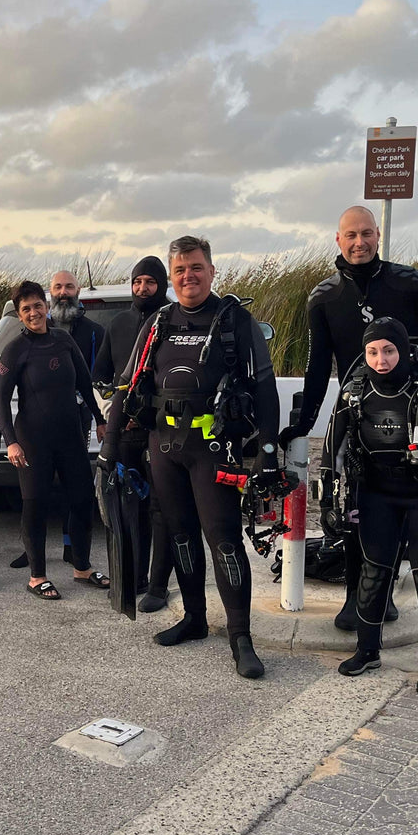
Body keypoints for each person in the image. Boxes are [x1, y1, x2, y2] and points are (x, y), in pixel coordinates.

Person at [102, 236, 282, 679]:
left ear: (212, 270)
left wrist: (268, 448)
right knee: (180, 534)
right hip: (163, 446)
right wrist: (109, 449)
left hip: (213, 447)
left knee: (223, 539)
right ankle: (195, 619)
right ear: (172, 275)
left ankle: (240, 636)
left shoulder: (235, 320)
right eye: (180, 269)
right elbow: (127, 385)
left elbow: (264, 386)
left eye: (196, 267)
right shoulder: (160, 321)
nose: (188, 276)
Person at [276, 206, 418, 632]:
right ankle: (356, 596)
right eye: (350, 236)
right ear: (337, 240)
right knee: (354, 501)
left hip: (410, 410)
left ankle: (386, 589)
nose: (359, 242)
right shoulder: (323, 295)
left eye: (366, 234)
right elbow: (318, 366)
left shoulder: (409, 281)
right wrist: (305, 423)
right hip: (358, 410)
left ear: (377, 235)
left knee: (398, 498)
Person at [320, 318, 418, 693]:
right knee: (373, 572)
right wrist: (326, 501)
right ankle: (367, 650)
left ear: (404, 350)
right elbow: (332, 448)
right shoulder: (355, 391)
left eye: (389, 350)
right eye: (373, 351)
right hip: (377, 492)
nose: (381, 359)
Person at [0, 280, 110, 599]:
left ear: (46, 306)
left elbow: (85, 383)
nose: (34, 313)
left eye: (37, 305)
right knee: (36, 504)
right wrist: (11, 441)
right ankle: (37, 576)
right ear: (19, 315)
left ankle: (82, 567)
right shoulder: (16, 349)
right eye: (26, 309)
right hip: (32, 439)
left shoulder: (62, 339)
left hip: (71, 434)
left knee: (83, 499)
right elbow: (0, 400)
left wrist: (100, 421)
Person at [94, 255, 174, 611]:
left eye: (150, 282)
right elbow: (102, 376)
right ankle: (131, 575)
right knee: (130, 507)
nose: (143, 288)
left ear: (162, 285)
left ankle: (156, 582)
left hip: (159, 430)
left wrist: (147, 415)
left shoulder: (172, 320)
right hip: (125, 430)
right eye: (138, 281)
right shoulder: (119, 322)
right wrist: (115, 412)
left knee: (161, 508)